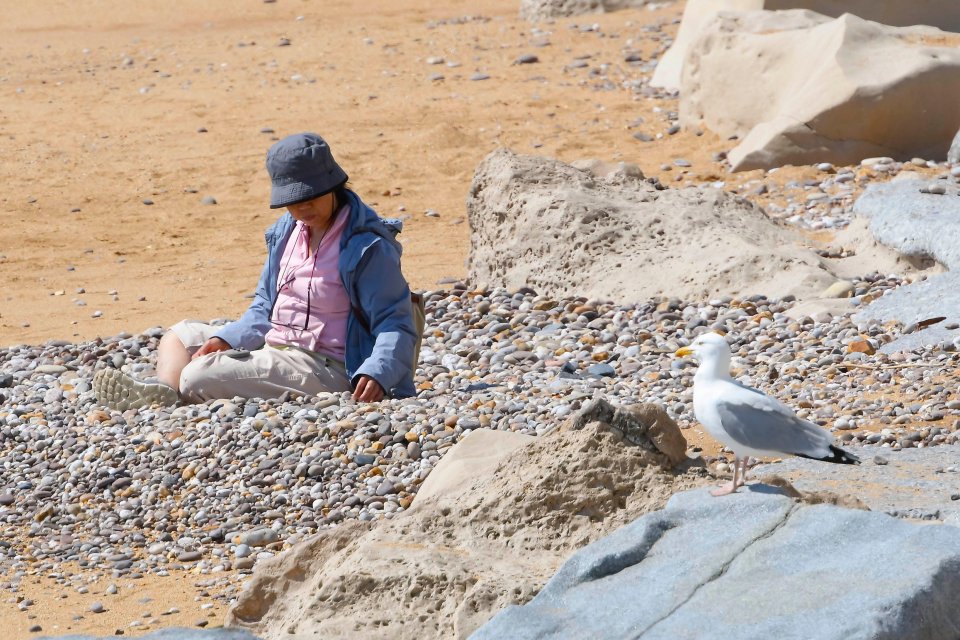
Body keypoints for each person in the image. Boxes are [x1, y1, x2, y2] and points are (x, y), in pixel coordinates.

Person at [94, 132, 418, 410]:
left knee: (196, 375)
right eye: (292, 201)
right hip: (274, 345)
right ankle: (163, 392)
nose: (302, 209)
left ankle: (178, 389)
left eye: (310, 198)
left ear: (334, 186)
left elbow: (396, 322)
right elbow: (264, 306)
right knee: (180, 336)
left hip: (326, 365)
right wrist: (228, 337)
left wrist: (377, 372)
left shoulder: (366, 248)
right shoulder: (286, 231)